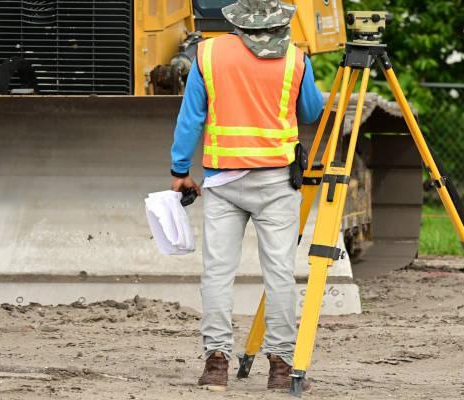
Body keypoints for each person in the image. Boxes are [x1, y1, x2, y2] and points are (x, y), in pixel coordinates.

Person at [169, 0, 324, 392]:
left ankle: (216, 365)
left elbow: (191, 117)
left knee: (218, 273)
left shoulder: (208, 53)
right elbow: (310, 111)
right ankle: (281, 368)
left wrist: (179, 170)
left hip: (223, 182)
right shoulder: (295, 59)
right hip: (277, 184)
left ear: (236, 20)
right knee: (279, 275)